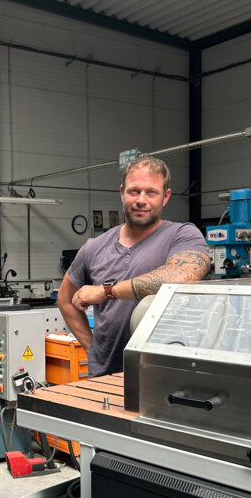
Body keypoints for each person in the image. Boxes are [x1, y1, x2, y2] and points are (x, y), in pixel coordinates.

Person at [57, 155, 210, 377]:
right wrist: (93, 350)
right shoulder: (94, 247)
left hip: (166, 375)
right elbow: (64, 299)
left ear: (165, 196)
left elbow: (181, 275)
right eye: (134, 191)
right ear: (122, 192)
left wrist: (106, 290)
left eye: (151, 192)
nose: (141, 200)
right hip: (106, 376)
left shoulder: (182, 235)